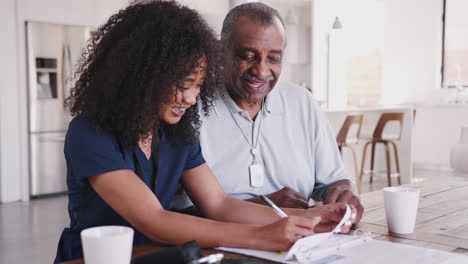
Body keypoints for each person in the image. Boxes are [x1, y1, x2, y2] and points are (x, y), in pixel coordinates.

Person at [54, 1, 357, 262]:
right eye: (182, 84)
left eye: (198, 85)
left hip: (159, 256)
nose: (191, 98)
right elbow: (154, 220)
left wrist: (312, 219)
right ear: (143, 75)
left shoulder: (177, 130)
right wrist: (262, 237)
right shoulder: (90, 132)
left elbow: (219, 204)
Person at [173, 2, 364, 221]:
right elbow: (167, 213)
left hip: (296, 240)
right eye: (248, 56)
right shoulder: (188, 105)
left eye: (273, 58)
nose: (262, 71)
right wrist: (263, 208)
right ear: (220, 51)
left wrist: (340, 194)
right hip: (215, 242)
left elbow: (334, 179)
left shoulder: (302, 102)